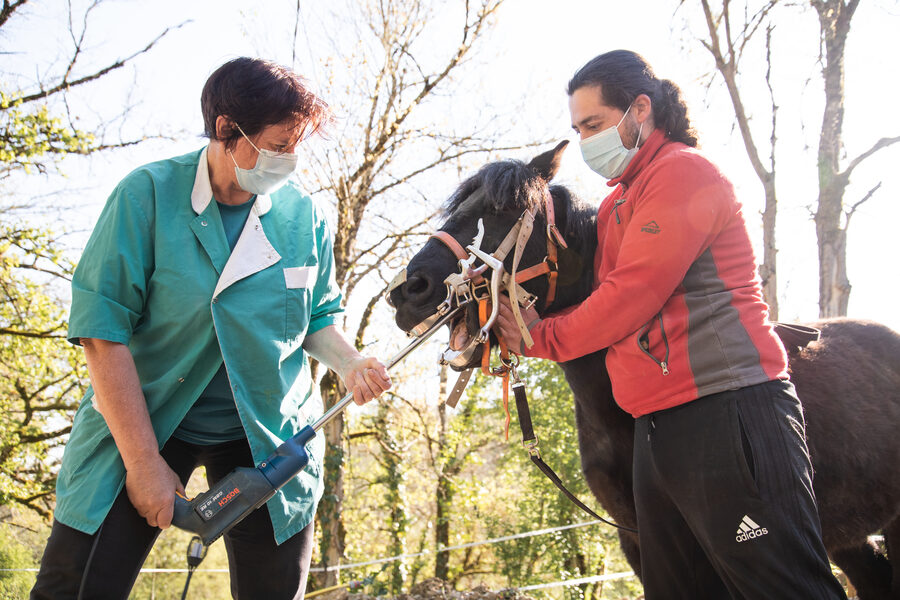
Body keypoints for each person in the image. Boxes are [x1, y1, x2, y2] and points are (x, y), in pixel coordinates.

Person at [30, 57, 391, 600]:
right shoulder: (145, 196)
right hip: (143, 421)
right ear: (226, 130)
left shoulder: (304, 217)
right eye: (277, 145)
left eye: (297, 145)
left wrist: (351, 361)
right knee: (74, 587)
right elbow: (102, 333)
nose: (290, 159)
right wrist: (143, 463)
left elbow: (316, 317)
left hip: (266, 434)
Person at [495, 50, 847, 599]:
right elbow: (603, 301)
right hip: (656, 429)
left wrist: (542, 337)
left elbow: (628, 298)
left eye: (594, 124)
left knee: (786, 589)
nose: (586, 142)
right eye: (578, 129)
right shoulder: (617, 205)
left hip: (728, 410)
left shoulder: (682, 173)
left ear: (641, 109)